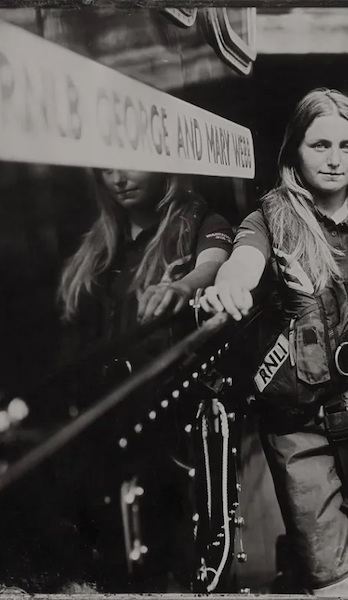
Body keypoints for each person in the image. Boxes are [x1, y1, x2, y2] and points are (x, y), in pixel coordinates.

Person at [200, 88, 348, 597]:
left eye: (347, 147)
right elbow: (244, 260)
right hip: (308, 431)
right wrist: (230, 284)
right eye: (320, 145)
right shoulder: (268, 221)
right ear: (294, 153)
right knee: (340, 585)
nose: (335, 160)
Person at [57, 169, 233, 591]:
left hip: (167, 427)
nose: (117, 178)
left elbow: (213, 265)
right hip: (103, 422)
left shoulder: (204, 223)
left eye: (129, 163)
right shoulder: (98, 246)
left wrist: (182, 288)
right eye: (106, 167)